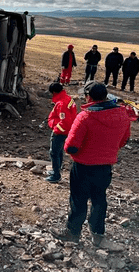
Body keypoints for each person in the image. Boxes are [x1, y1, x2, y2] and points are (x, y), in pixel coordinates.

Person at [50, 82, 131, 251]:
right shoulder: (122, 114)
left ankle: (73, 233)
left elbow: (70, 146)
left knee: (78, 200)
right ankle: (98, 235)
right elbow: (124, 141)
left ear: (89, 97)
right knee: (99, 200)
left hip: (83, 166)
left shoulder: (85, 116)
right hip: (105, 167)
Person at [45, 82, 77, 183]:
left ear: (54, 92)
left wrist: (55, 129)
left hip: (60, 132)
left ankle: (56, 175)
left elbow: (64, 122)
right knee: (59, 152)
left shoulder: (61, 104)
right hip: (67, 131)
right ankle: (57, 169)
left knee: (54, 152)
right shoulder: (68, 98)